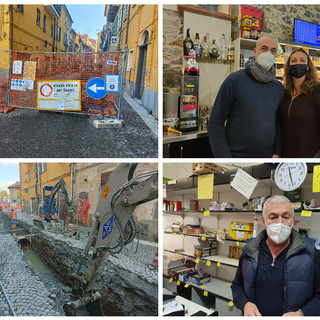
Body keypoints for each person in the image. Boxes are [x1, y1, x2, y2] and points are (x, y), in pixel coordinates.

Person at [231, 195, 320, 316]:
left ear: (293, 221)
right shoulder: (249, 250)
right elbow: (237, 286)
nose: (280, 223)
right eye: (273, 217)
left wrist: (301, 314)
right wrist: (245, 304)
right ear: (263, 222)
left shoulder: (311, 253)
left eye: (286, 217)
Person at [207, 35, 284, 158]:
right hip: (237, 159)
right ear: (255, 51)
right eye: (264, 48)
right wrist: (225, 159)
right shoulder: (234, 81)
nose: (268, 53)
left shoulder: (278, 88)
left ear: (276, 55)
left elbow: (279, 123)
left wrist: (277, 152)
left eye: (273, 50)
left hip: (267, 160)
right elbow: (215, 123)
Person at [279, 48, 320, 158]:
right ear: (289, 67)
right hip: (286, 154)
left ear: (307, 67)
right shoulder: (285, 93)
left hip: (310, 155)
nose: (298, 63)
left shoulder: (317, 90)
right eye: (294, 61)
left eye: (302, 61)